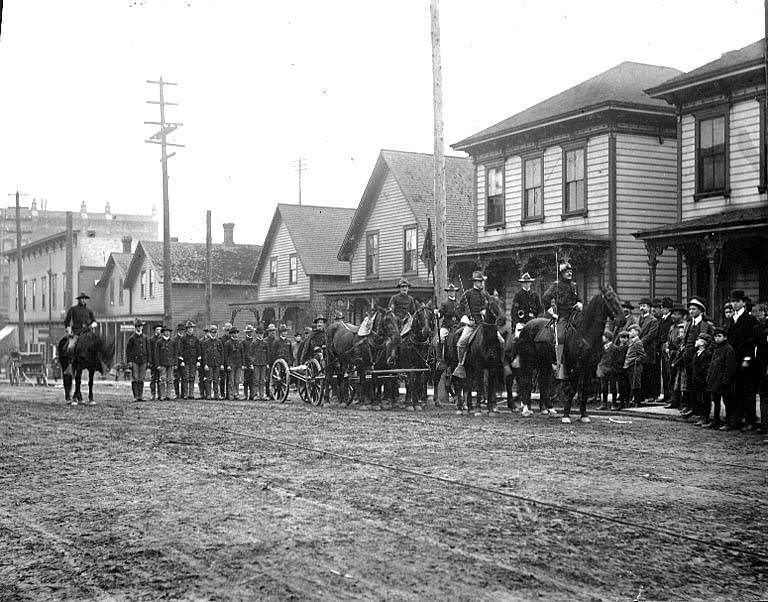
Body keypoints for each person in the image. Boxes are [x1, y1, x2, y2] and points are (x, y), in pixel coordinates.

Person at [541, 261, 583, 379]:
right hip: (563, 315)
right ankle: (559, 363)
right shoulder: (556, 285)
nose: (569, 273)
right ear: (562, 273)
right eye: (567, 271)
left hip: (575, 315)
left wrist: (580, 303)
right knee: (560, 337)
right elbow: (545, 297)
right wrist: (550, 310)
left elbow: (579, 299)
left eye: (570, 271)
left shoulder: (574, 286)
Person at [726, 289, 760, 431]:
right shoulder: (732, 320)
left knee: (748, 392)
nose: (734, 304)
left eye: (736, 301)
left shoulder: (749, 319)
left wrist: (746, 361)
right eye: (732, 301)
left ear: (743, 302)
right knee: (736, 391)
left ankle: (750, 420)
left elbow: (751, 342)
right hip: (734, 360)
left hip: (746, 360)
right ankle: (737, 419)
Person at [452, 271, 492, 379]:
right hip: (472, 324)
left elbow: (492, 307)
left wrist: (486, 311)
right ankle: (460, 365)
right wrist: (466, 318)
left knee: (500, 340)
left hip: (485, 325)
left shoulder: (486, 294)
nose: (481, 284)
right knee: (461, 343)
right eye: (479, 281)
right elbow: (460, 309)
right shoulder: (468, 294)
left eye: (482, 281)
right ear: (475, 282)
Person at [681, 297, 714, 418]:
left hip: (701, 359)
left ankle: (702, 412)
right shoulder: (689, 324)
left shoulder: (707, 325)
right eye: (689, 309)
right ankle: (692, 408)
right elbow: (684, 340)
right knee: (689, 384)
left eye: (694, 309)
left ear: (701, 310)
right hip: (688, 358)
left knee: (700, 386)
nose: (691, 311)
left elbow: (711, 341)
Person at [707, 327, 736, 430]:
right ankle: (716, 420)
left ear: (725, 337)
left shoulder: (729, 349)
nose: (717, 338)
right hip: (715, 381)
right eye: (715, 336)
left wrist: (726, 380)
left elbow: (730, 367)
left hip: (724, 382)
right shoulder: (716, 349)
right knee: (716, 401)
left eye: (719, 336)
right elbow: (712, 365)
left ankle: (729, 423)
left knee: (728, 402)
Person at [637, 297, 659, 403]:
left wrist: (638, 343)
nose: (642, 308)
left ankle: (650, 395)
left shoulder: (653, 320)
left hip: (648, 350)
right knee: (641, 373)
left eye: (644, 306)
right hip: (639, 350)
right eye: (640, 306)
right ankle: (641, 396)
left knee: (649, 373)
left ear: (649, 308)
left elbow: (651, 335)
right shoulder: (638, 319)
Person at [690, 333, 713, 426]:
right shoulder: (697, 353)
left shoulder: (707, 354)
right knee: (699, 399)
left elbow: (705, 368)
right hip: (697, 380)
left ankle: (705, 418)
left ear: (703, 343)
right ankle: (701, 416)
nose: (696, 341)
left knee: (705, 400)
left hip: (703, 381)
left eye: (698, 340)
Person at [125, 319, 151, 402]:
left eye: (140, 326)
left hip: (143, 360)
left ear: (142, 327)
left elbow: (148, 350)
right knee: (135, 378)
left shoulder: (145, 338)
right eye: (138, 326)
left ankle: (140, 396)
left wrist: (149, 361)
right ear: (135, 328)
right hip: (134, 361)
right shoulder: (132, 338)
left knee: (141, 378)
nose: (139, 328)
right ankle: (135, 396)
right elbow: (128, 351)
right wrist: (129, 361)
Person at [657, 297, 676, 405]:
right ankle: (666, 395)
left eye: (664, 308)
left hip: (667, 346)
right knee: (664, 372)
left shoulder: (670, 320)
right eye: (662, 307)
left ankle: (670, 396)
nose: (663, 309)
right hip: (662, 347)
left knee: (668, 372)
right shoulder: (662, 319)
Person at [596, 330, 621, 410]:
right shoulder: (601, 348)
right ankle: (604, 404)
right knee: (603, 388)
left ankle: (613, 404)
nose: (602, 338)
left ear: (607, 338)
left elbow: (617, 360)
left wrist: (614, 368)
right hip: (603, 370)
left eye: (603, 337)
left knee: (613, 387)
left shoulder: (615, 348)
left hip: (612, 370)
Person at [623, 324, 646, 407]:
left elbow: (642, 355)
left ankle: (637, 401)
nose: (629, 333)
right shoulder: (632, 341)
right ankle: (633, 400)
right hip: (630, 365)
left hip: (635, 366)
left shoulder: (638, 342)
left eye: (631, 331)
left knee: (636, 383)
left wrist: (636, 360)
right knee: (632, 383)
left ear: (637, 332)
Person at [179, 321, 201, 400]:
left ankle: (191, 394)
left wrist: (198, 360)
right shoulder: (183, 339)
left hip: (193, 361)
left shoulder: (196, 339)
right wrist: (181, 361)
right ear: (187, 329)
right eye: (189, 328)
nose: (191, 329)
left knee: (192, 377)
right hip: (186, 361)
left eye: (192, 328)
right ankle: (185, 394)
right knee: (185, 378)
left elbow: (198, 350)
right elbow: (180, 350)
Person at [201, 324, 224, 400]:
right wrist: (205, 364)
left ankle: (216, 394)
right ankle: (208, 394)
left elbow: (221, 353)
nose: (213, 333)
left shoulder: (219, 342)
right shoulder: (206, 342)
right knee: (209, 379)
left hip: (217, 363)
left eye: (215, 332)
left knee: (216, 380)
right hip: (209, 364)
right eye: (212, 332)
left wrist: (221, 364)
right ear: (210, 332)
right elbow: (204, 354)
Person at [155, 326, 177, 401]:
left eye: (168, 331)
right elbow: (156, 354)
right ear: (163, 332)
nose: (167, 333)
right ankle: (162, 395)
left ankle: (169, 395)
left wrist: (175, 363)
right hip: (162, 363)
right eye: (166, 331)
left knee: (170, 380)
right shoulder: (159, 342)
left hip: (170, 363)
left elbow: (175, 354)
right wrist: (157, 365)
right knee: (162, 379)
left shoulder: (173, 342)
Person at [224, 327, 243, 400]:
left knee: (237, 381)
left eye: (236, 333)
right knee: (231, 381)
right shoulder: (228, 343)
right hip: (231, 364)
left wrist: (242, 364)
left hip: (238, 364)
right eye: (234, 333)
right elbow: (226, 355)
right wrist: (228, 364)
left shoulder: (240, 343)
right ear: (231, 334)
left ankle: (236, 394)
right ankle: (231, 395)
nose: (235, 335)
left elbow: (242, 354)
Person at [613, 330, 631, 410]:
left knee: (624, 386)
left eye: (624, 338)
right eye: (621, 338)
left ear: (627, 338)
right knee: (621, 387)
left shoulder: (627, 347)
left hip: (624, 368)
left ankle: (624, 403)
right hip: (620, 369)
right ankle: (623, 402)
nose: (622, 339)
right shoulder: (620, 346)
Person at [252, 327, 269, 400]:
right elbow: (250, 354)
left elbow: (268, 354)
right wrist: (253, 361)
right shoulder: (254, 343)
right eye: (259, 333)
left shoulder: (265, 343)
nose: (261, 335)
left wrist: (267, 363)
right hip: (256, 364)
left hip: (263, 364)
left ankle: (262, 394)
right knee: (256, 380)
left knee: (262, 380)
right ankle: (256, 395)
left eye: (262, 334)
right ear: (257, 334)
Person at [241, 325, 257, 400]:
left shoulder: (254, 342)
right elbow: (243, 354)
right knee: (246, 380)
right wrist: (244, 364)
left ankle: (252, 395)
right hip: (246, 363)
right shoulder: (243, 342)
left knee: (252, 380)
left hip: (253, 363)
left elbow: (254, 353)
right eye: (248, 332)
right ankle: (245, 395)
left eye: (251, 332)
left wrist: (253, 362)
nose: (250, 333)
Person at [219, 322, 233, 400]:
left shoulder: (233, 340)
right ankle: (222, 394)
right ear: (225, 330)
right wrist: (221, 363)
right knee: (222, 379)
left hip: (230, 363)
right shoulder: (221, 340)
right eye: (227, 330)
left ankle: (229, 394)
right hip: (223, 362)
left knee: (229, 379)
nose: (228, 332)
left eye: (230, 330)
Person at [149, 324, 162, 400]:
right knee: (153, 378)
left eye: (160, 330)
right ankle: (153, 394)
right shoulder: (151, 340)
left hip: (160, 362)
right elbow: (150, 351)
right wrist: (150, 361)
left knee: (160, 379)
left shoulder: (162, 339)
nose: (159, 331)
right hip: (153, 362)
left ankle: (160, 394)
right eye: (157, 330)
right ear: (154, 331)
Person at [173, 323, 185, 399]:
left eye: (182, 330)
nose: (181, 331)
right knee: (176, 378)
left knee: (184, 378)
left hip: (184, 361)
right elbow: (174, 351)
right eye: (180, 330)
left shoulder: (185, 338)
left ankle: (183, 393)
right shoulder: (174, 339)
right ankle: (177, 393)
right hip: (177, 361)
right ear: (178, 330)